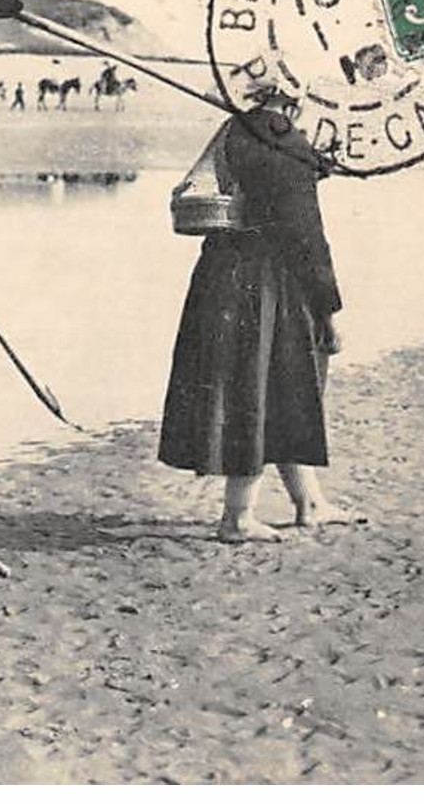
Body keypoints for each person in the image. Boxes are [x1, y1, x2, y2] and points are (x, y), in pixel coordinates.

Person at [158, 83, 356, 542]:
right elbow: (306, 235)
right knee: (261, 390)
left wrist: (313, 168)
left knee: (282, 388)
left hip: (220, 275)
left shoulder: (235, 130)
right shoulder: (288, 143)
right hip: (269, 283)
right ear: (295, 99)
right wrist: (329, 309)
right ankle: (237, 518)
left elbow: (260, 182)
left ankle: (309, 502)